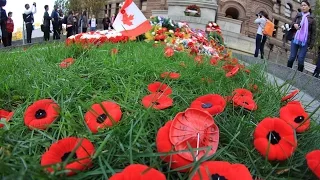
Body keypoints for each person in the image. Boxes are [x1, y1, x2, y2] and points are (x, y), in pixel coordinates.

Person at [287, 0, 316, 72]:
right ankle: (287, 71)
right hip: (295, 38)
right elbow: (291, 23)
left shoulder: (312, 19)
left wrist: (311, 44)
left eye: (305, 5)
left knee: (300, 58)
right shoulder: (298, 15)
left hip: (305, 41)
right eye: (302, 5)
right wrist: (294, 25)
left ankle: (300, 75)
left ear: (309, 7)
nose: (303, 7)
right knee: (292, 57)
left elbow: (313, 33)